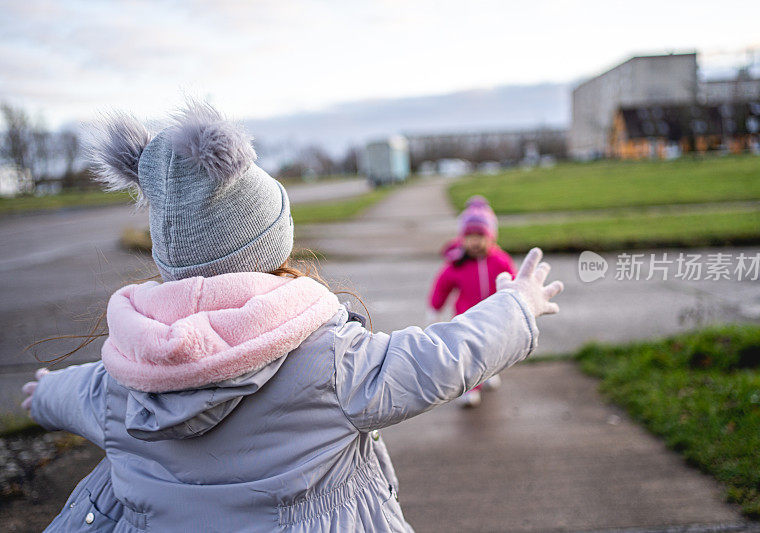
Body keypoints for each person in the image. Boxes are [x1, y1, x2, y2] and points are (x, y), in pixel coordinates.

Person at [20, 101, 563, 532]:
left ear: (168, 260)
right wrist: (518, 307)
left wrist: (43, 392)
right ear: (271, 247)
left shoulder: (124, 377)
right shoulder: (331, 364)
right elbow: (439, 358)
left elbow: (76, 392)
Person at [428, 196, 518, 407]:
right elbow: (442, 286)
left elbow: (512, 284)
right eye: (469, 236)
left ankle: (488, 374)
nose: (475, 241)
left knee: (495, 351)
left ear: (491, 237)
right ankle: (470, 388)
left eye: (480, 236)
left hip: (495, 318)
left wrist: (515, 303)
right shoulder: (457, 264)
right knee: (469, 355)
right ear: (462, 238)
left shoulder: (501, 260)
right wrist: (435, 308)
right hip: (466, 318)